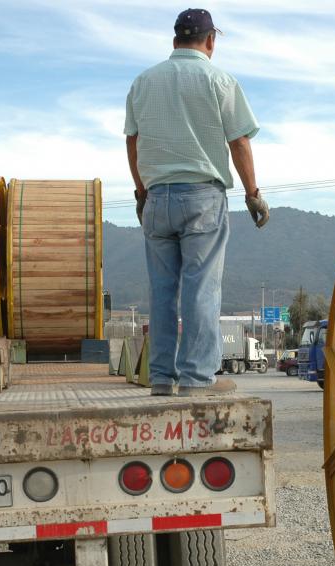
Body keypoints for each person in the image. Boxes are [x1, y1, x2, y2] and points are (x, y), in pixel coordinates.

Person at [125, 8, 269, 397]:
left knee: (162, 290)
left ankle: (160, 378)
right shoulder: (219, 80)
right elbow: (239, 141)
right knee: (200, 289)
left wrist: (142, 193)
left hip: (157, 199)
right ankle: (196, 379)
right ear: (210, 41)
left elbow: (132, 141)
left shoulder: (144, 82)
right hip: (203, 198)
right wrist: (253, 194)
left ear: (175, 42)